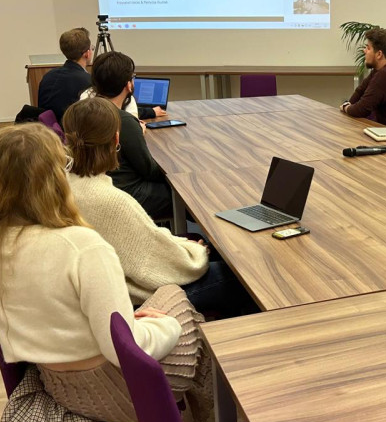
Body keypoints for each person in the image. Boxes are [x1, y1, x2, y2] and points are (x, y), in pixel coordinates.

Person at [0, 124, 211, 422]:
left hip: (56, 384)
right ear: (55, 179)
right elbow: (126, 350)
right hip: (122, 388)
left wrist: (126, 324)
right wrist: (163, 325)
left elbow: (57, 315)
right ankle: (213, 420)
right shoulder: (82, 246)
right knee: (175, 295)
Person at [62, 97, 258, 318]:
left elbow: (145, 244)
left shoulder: (65, 185)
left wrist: (182, 244)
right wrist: (196, 251)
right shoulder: (112, 202)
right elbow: (162, 267)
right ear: (116, 139)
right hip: (138, 301)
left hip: (102, 292)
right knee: (241, 275)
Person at [90, 51, 172, 220]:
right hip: (128, 195)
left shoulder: (87, 111)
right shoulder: (124, 121)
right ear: (129, 85)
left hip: (102, 190)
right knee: (181, 193)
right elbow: (149, 171)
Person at [37, 28, 94, 124]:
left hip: (46, 130)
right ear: (87, 54)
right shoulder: (88, 81)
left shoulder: (48, 76)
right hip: (72, 131)